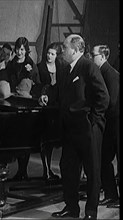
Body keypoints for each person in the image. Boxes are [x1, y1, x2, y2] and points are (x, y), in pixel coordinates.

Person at [40, 34, 109, 220]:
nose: (62, 50)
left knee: (92, 171)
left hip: (88, 129)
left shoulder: (89, 67)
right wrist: (48, 95)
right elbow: (58, 90)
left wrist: (93, 120)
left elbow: (103, 96)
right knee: (68, 168)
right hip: (70, 129)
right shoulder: (64, 68)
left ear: (77, 49)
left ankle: (91, 213)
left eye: (65, 47)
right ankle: (71, 208)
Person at [0, 37, 40, 180]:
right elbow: (6, 79)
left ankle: (23, 171)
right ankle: (12, 170)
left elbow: (37, 84)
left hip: (26, 106)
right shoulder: (12, 64)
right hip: (12, 102)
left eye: (22, 49)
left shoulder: (30, 65)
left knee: (24, 139)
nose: (19, 52)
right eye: (17, 49)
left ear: (26, 50)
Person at [91, 44, 120, 208]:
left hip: (114, 124)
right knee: (104, 160)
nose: (91, 57)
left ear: (102, 57)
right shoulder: (101, 72)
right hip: (109, 124)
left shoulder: (111, 74)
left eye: (93, 55)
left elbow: (112, 102)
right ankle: (111, 195)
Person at [37, 42, 64, 182]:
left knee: (54, 140)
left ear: (57, 56)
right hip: (45, 108)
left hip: (57, 107)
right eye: (48, 53)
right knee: (45, 139)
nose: (49, 56)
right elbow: (38, 86)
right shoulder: (40, 67)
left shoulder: (61, 67)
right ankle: (46, 170)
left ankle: (50, 171)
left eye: (52, 54)